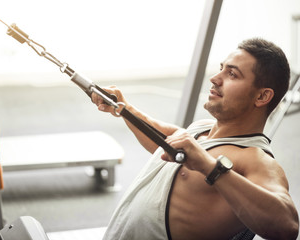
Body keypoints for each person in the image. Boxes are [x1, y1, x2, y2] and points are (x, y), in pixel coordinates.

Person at [91, 38, 299, 240]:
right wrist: (124, 108)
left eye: (232, 74)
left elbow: (287, 226)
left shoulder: (256, 159)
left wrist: (210, 167)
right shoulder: (202, 129)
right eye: (221, 68)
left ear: (262, 97)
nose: (215, 78)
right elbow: (164, 142)